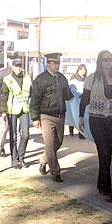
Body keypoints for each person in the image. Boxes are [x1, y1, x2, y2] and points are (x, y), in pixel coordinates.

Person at [79, 50, 112, 201]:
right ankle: (107, 189)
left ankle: (101, 183)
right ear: (100, 62)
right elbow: (84, 99)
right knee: (104, 152)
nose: (109, 62)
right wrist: (81, 117)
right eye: (105, 60)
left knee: (107, 153)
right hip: (96, 119)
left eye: (111, 60)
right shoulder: (92, 78)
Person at [31, 53, 74, 183]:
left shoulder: (62, 78)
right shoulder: (40, 79)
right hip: (46, 116)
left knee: (57, 143)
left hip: (60, 115)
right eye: (54, 63)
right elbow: (35, 100)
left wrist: (72, 91)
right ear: (48, 64)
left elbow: (67, 96)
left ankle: (43, 160)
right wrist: (35, 118)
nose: (57, 65)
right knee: (49, 144)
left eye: (58, 63)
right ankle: (55, 172)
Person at [0, 58, 31, 169]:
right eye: (16, 66)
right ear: (12, 67)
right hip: (11, 110)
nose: (19, 68)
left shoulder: (27, 79)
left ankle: (21, 157)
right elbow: (3, 96)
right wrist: (3, 111)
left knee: (26, 135)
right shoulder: (7, 79)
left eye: (20, 66)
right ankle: (14, 160)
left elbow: (31, 93)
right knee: (13, 136)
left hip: (24, 109)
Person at [0, 52, 19, 157]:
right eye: (11, 58)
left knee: (17, 130)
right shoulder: (2, 73)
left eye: (14, 58)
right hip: (5, 105)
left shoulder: (19, 72)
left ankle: (16, 151)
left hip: (17, 105)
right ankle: (1, 147)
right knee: (4, 129)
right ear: (8, 59)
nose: (13, 60)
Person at [69, 64, 87, 139]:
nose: (84, 71)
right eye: (82, 69)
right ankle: (71, 129)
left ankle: (81, 133)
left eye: (84, 69)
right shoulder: (74, 77)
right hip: (75, 99)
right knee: (74, 113)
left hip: (82, 98)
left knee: (81, 114)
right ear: (78, 70)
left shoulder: (86, 78)